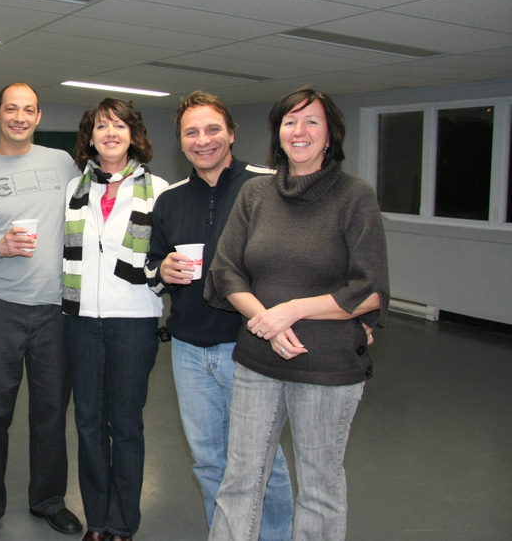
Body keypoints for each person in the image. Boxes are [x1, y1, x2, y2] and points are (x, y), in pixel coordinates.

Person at [205, 87, 389, 541]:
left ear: (330, 134)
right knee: (240, 479)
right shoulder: (255, 194)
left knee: (320, 487)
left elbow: (370, 292)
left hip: (327, 366)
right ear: (278, 133)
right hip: (257, 361)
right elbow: (225, 271)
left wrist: (290, 311)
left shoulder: (354, 196)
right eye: (290, 121)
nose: (299, 131)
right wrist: (266, 322)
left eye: (312, 121)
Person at [145, 91, 293, 540]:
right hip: (189, 349)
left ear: (231, 133)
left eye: (213, 129)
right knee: (209, 459)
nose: (203, 140)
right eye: (191, 132)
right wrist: (163, 270)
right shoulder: (169, 199)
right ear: (180, 141)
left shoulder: (269, 186)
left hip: (250, 345)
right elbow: (152, 265)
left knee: (263, 461)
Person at [0, 82, 83, 541]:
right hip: (0, 310)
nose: (19, 118)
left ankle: (49, 500)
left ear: (38, 116)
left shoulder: (63, 163)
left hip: (56, 312)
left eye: (28, 110)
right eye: (11, 109)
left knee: (51, 412)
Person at [62, 98, 168, 541]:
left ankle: (123, 523)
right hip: (81, 320)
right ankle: (97, 521)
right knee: (88, 425)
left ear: (133, 134)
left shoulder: (159, 190)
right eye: (101, 126)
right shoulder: (75, 189)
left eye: (119, 125)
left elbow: (163, 258)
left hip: (134, 321)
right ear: (90, 137)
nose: (110, 133)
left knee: (125, 426)